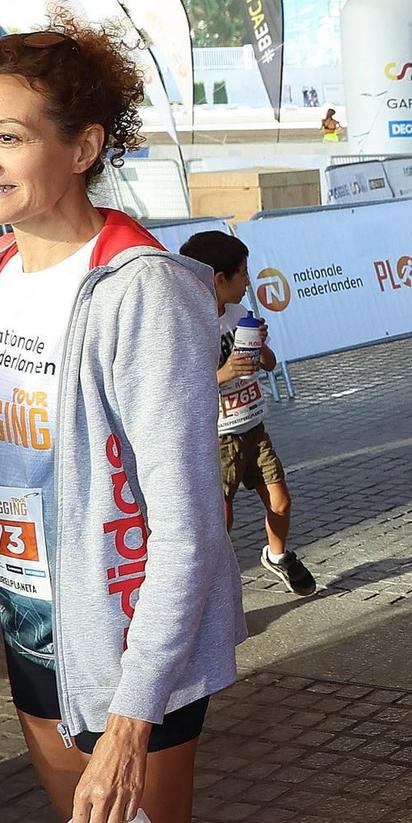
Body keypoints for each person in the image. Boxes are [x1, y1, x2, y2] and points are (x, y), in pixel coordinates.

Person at [0, 24, 246, 823]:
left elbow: (189, 527)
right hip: (33, 626)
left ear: (83, 146)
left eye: (8, 136)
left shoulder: (140, 290)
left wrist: (133, 716)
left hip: (123, 650)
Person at [177, 230, 316, 599]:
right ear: (219, 279)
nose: (248, 280)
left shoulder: (239, 313)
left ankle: (278, 555)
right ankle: (216, 585)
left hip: (254, 424)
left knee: (280, 500)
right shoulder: (189, 324)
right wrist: (227, 371)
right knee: (222, 518)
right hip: (218, 435)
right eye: (242, 272)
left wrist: (261, 346)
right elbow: (183, 386)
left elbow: (267, 363)